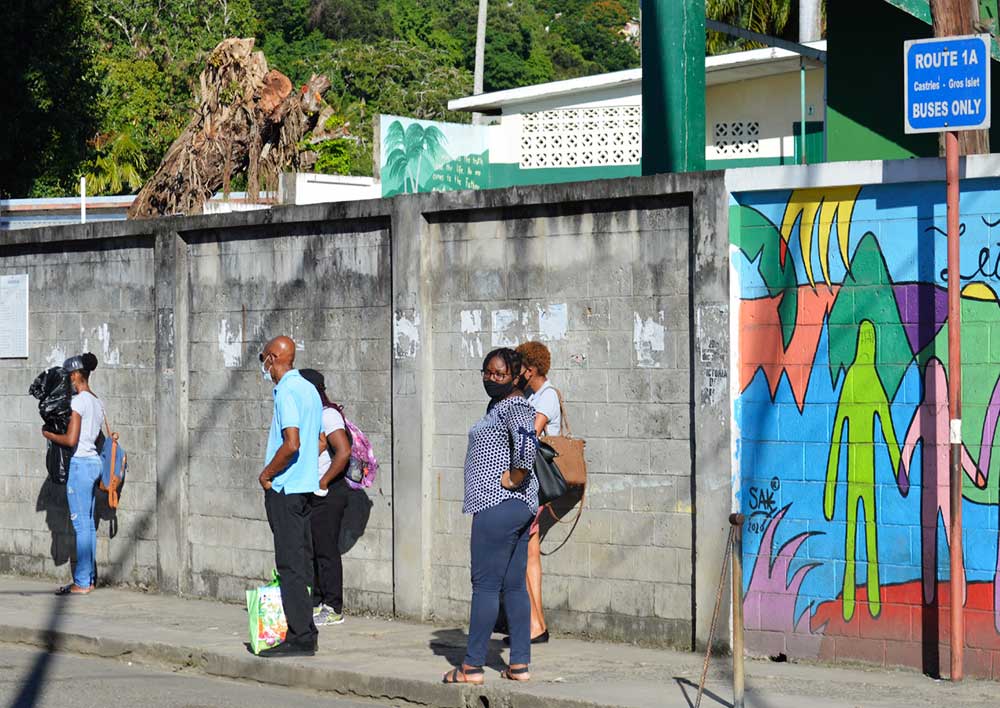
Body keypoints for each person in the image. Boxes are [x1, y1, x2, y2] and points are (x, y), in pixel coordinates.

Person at [443, 348, 539, 685]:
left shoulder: (516, 405)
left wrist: (514, 476)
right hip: (515, 507)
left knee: (484, 586)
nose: (491, 379)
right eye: (487, 372)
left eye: (499, 374)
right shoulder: (499, 406)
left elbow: (527, 446)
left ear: (514, 377)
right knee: (513, 587)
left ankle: (471, 667)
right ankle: (520, 665)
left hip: (497, 503)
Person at [256, 336, 323, 657]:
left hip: (285, 489)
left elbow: (292, 443)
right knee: (300, 562)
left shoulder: (285, 391)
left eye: (264, 359)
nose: (264, 366)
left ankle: (300, 637)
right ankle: (306, 629)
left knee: (290, 565)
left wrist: (267, 474)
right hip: (304, 488)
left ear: (272, 358)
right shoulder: (309, 389)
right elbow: (320, 440)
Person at [42, 353, 104, 596]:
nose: (68, 379)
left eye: (69, 375)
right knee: (88, 526)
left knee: (81, 526)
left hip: (79, 466)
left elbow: (70, 440)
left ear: (77, 375)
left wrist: (48, 434)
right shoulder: (98, 403)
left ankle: (81, 582)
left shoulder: (78, 402)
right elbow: (97, 439)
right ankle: (88, 579)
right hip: (94, 464)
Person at [515, 341, 561, 645]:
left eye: (520, 367)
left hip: (538, 484)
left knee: (525, 554)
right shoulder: (534, 395)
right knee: (528, 553)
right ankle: (536, 624)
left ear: (530, 369)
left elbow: (530, 431)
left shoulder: (547, 396)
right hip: (530, 484)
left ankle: (534, 625)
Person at [299, 368, 352, 627]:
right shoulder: (308, 414)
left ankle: (333, 607)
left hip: (329, 491)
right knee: (314, 548)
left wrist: (323, 482)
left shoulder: (327, 415)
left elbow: (343, 452)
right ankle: (318, 601)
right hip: (314, 490)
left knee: (326, 549)